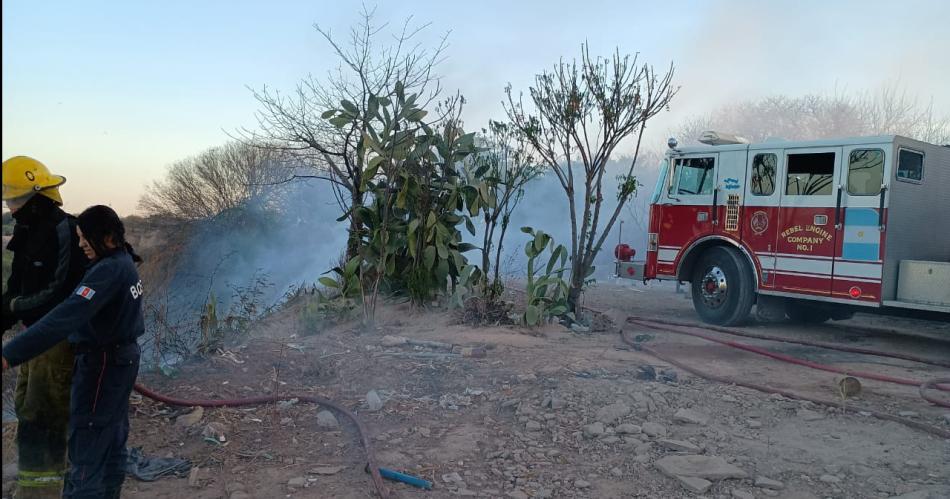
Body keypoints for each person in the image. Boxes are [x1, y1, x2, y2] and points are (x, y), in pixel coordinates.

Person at [2, 205, 145, 499]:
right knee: (112, 438)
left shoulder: (107, 271)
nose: (80, 245)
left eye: (84, 238)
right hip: (121, 360)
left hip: (102, 364)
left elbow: (64, 317)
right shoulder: (123, 261)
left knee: (86, 446)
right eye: (78, 238)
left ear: (107, 238)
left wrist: (9, 354)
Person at [2, 156, 88, 499]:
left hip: (58, 338)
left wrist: (12, 309)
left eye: (13, 196)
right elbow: (18, 287)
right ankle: (39, 484)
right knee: (28, 402)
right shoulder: (29, 230)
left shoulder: (62, 230)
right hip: (38, 335)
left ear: (34, 194)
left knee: (43, 411)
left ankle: (42, 492)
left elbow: (52, 292)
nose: (9, 204)